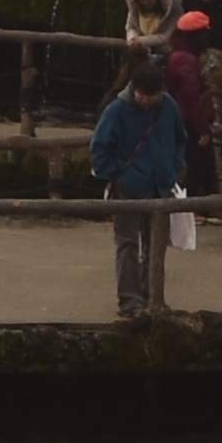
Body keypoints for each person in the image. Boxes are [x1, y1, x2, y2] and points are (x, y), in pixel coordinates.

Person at [84, 62, 186, 319]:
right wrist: (116, 174)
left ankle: (152, 295)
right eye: (143, 95)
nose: (147, 100)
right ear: (134, 88)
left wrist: (173, 168)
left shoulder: (168, 106)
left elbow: (180, 138)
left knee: (155, 244)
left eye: (153, 95)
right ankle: (130, 301)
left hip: (160, 184)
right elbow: (99, 147)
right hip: (128, 186)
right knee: (127, 243)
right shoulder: (117, 110)